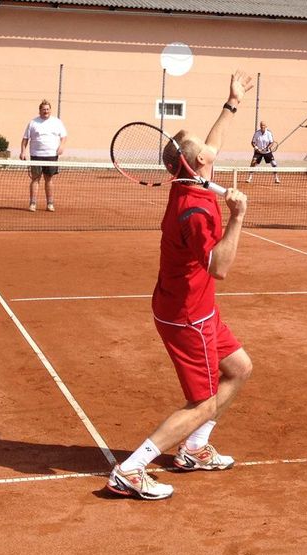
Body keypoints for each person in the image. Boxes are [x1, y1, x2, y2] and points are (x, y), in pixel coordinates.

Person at [106, 71, 255, 501]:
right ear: (197, 164)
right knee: (203, 401)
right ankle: (131, 469)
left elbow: (210, 143)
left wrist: (232, 103)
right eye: (204, 151)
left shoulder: (194, 178)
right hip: (187, 316)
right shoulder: (194, 210)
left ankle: (193, 448)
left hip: (197, 309)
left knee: (241, 368)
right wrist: (238, 218)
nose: (212, 150)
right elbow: (220, 267)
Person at [20, 100, 67, 212]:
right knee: (35, 179)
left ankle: (50, 204)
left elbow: (64, 136)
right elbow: (25, 139)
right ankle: (32, 203)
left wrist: (62, 146)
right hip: (36, 155)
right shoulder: (33, 123)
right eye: (44, 109)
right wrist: (23, 151)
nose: (46, 111)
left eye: (47, 109)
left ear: (50, 110)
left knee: (49, 179)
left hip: (51, 155)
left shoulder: (57, 122)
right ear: (40, 110)